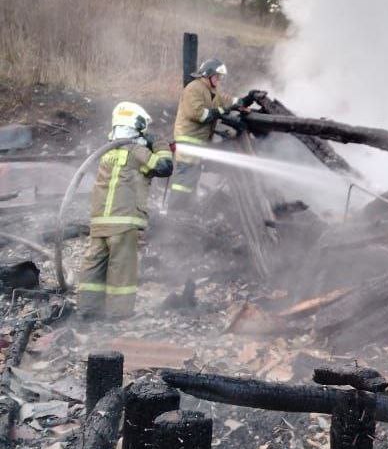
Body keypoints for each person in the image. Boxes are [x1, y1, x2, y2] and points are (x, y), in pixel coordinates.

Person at [78, 102, 173, 319]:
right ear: (136, 125)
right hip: (123, 222)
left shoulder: (108, 153)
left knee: (95, 265)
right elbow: (164, 167)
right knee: (122, 269)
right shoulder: (136, 151)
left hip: (100, 222)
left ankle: (88, 311)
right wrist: (159, 144)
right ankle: (118, 314)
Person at [169, 58, 264, 207]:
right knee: (184, 178)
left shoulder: (212, 92)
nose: (219, 80)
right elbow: (200, 115)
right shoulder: (194, 88)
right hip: (188, 140)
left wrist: (247, 99)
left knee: (192, 177)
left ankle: (184, 210)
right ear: (208, 74)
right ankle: (174, 211)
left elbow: (229, 101)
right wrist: (222, 110)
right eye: (217, 76)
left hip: (198, 143)